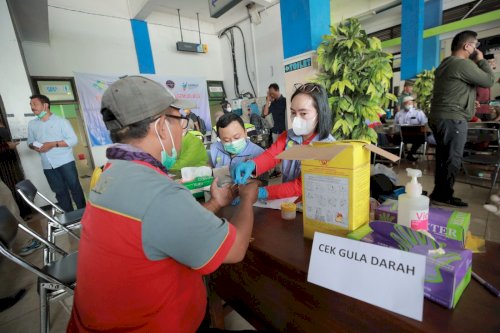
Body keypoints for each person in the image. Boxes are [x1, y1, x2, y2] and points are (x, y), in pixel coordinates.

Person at [67, 76, 258, 332]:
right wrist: (247, 199)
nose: (183, 129)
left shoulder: (108, 173)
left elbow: (163, 227)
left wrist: (215, 202)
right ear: (160, 126)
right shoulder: (158, 191)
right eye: (180, 120)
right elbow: (235, 250)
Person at [232, 83, 334, 200]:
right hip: (288, 204)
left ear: (320, 114)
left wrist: (263, 192)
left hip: (313, 204)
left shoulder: (327, 148)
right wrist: (252, 165)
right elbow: (271, 156)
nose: (296, 118)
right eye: (293, 112)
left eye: (303, 113)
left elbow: (302, 186)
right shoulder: (288, 137)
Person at [429, 30, 495, 207]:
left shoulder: (446, 63)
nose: (476, 48)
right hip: (452, 119)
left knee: (444, 157)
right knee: (453, 158)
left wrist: (468, 103)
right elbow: (489, 80)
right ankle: (444, 195)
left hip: (440, 117)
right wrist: (481, 60)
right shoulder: (462, 64)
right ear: (467, 46)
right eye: (476, 45)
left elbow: (455, 90)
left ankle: (439, 193)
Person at [27, 95, 86, 213]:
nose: (32, 107)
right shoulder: (32, 124)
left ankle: (84, 214)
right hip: (47, 165)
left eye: (35, 104)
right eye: (31, 105)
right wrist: (34, 146)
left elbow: (73, 140)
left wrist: (53, 144)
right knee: (59, 192)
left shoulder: (61, 122)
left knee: (75, 188)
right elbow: (30, 142)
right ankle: (69, 217)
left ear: (45, 105)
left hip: (65, 162)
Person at [262, 83, 286, 178]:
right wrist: (268, 100)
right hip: (275, 131)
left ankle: (284, 171)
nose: (271, 95)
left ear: (277, 90)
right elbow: (265, 113)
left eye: (272, 93)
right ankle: (277, 170)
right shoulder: (272, 103)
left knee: (285, 152)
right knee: (276, 152)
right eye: (269, 93)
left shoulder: (285, 101)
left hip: (284, 130)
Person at [394, 96, 428, 161]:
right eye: (408, 103)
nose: (410, 104)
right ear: (404, 104)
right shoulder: (399, 114)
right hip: (402, 136)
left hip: (416, 135)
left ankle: (410, 154)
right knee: (395, 137)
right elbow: (395, 125)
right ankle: (401, 155)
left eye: (411, 103)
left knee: (421, 138)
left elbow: (424, 124)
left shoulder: (418, 112)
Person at [475, 55, 497, 121]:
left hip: (487, 110)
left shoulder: (489, 78)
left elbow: (487, 96)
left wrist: (492, 106)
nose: (492, 64)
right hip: (477, 111)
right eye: (489, 62)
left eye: (493, 62)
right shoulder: (477, 76)